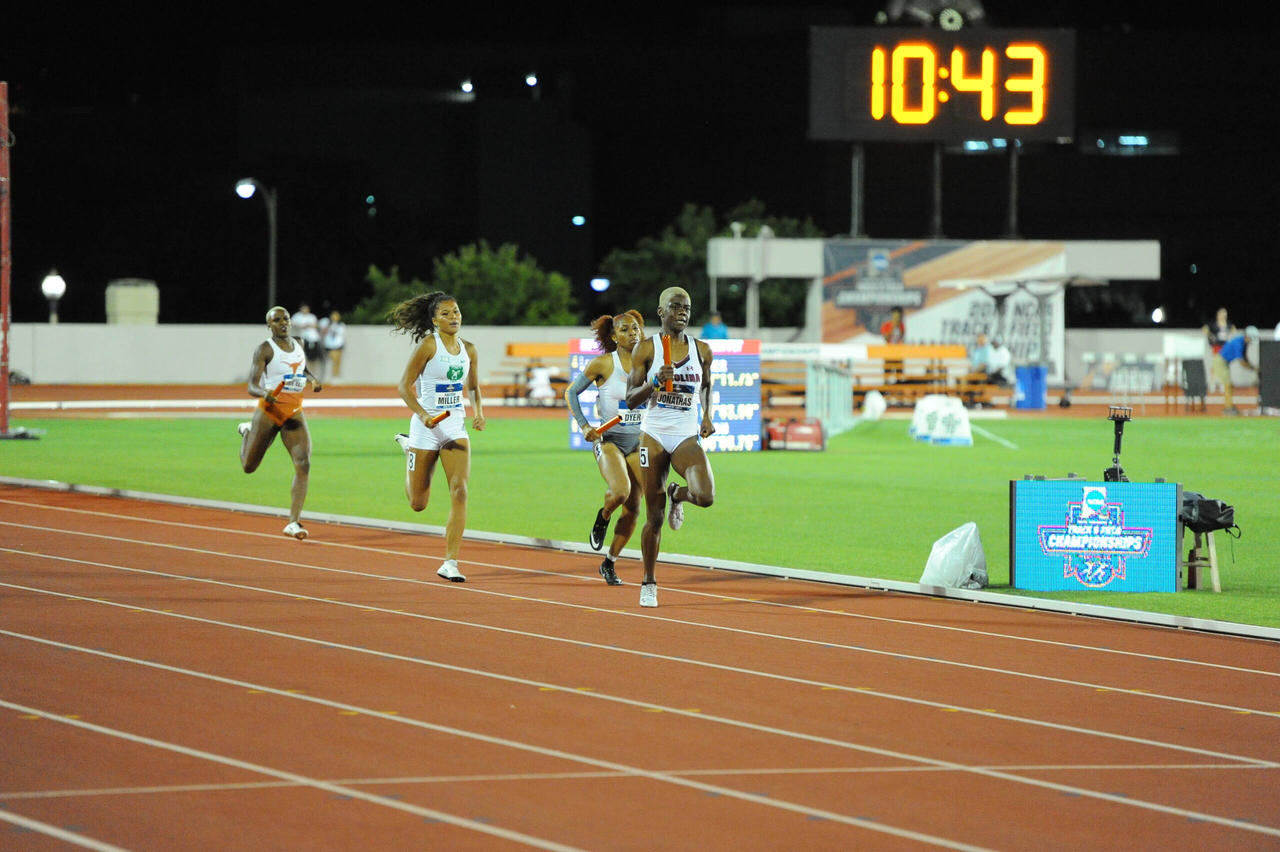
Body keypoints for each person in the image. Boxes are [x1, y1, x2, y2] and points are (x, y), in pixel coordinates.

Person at [626, 287, 716, 608]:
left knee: (705, 496)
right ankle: (649, 581)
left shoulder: (702, 349)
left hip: (684, 434)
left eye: (687, 307)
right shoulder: (645, 349)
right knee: (655, 516)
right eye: (675, 307)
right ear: (661, 311)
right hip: (654, 433)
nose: (682, 312)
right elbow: (630, 398)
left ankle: (678, 493)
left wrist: (707, 415)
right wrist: (653, 383)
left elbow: (705, 385)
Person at [390, 291, 486, 581]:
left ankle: (451, 562)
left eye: (456, 311)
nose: (453, 317)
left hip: (455, 426)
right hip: (425, 427)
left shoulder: (469, 349)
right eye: (446, 313)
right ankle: (409, 449)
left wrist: (478, 412)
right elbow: (404, 387)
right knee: (418, 503)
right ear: (434, 320)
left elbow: (473, 387)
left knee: (460, 490)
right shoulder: (428, 346)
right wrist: (422, 414)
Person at [565, 310, 648, 585]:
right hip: (610, 441)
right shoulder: (603, 364)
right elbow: (571, 392)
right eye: (625, 330)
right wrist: (584, 425)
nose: (632, 333)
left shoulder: (651, 364)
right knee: (621, 491)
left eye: (635, 328)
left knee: (636, 508)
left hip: (638, 443)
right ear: (614, 337)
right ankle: (603, 516)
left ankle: (609, 563)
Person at [237, 306, 324, 540]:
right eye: (276, 320)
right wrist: (264, 392)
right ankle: (247, 431)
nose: (282, 322)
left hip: (294, 412)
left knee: (303, 463)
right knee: (248, 467)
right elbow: (251, 385)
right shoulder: (265, 349)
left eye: (285, 318)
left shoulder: (299, 344)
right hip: (269, 411)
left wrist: (313, 380)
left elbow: (301, 369)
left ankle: (293, 522)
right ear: (269, 325)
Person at [1216, 326, 1260, 414]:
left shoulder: (1244, 343)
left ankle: (1229, 406)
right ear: (1247, 336)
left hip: (1224, 362)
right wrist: (1253, 368)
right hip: (1220, 361)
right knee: (1228, 385)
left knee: (1229, 385)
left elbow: (1245, 358)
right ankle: (1228, 408)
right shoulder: (1238, 343)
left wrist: (1253, 367)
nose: (1251, 342)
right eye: (1250, 339)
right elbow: (1241, 362)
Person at [291, 303, 323, 368]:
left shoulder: (312, 316)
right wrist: (300, 326)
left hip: (312, 339)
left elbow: (316, 325)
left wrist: (309, 326)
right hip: (302, 338)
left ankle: (312, 371)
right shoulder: (297, 316)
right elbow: (292, 324)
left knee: (312, 357)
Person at [319, 310, 346, 383]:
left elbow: (342, 335)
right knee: (334, 360)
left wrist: (343, 344)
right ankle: (333, 377)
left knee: (338, 361)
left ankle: (337, 376)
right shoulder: (327, 323)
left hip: (339, 345)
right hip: (330, 345)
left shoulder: (341, 325)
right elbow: (322, 331)